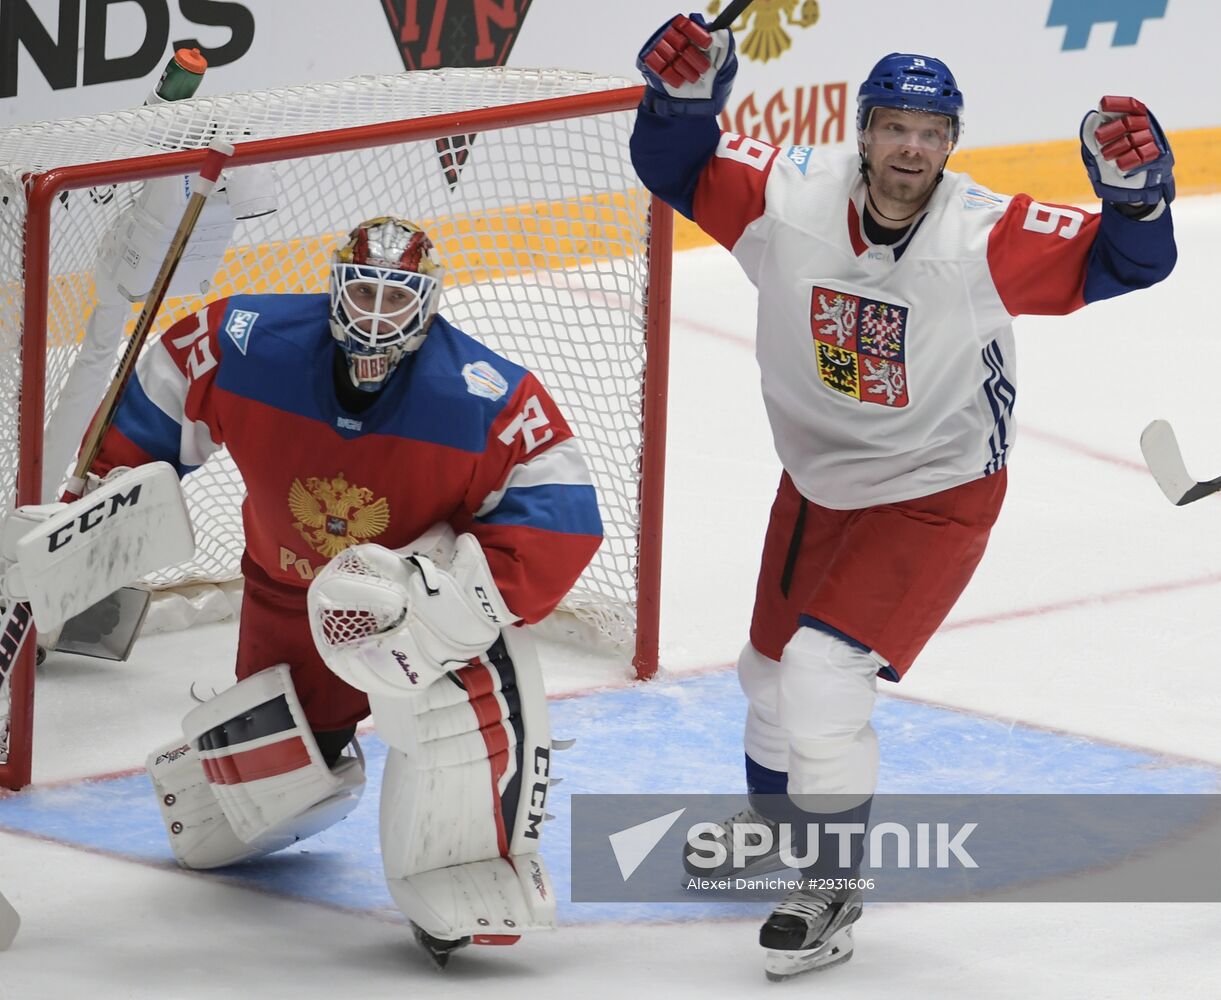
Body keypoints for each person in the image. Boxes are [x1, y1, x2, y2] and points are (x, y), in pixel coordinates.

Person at [631, 14, 1176, 982]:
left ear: (951, 142)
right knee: (766, 675)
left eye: (931, 132)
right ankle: (777, 827)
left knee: (820, 677)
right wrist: (678, 104)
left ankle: (832, 885)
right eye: (895, 128)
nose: (911, 149)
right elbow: (675, 167)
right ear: (864, 131)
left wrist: (1137, 202)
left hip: (936, 488)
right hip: (817, 482)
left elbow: (1129, 263)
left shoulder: (981, 233)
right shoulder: (789, 197)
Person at [77, 216, 603, 964]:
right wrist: (98, 504)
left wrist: (448, 611)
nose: (376, 316)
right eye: (363, 293)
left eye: (397, 298)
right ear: (334, 287)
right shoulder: (248, 342)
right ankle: (302, 763)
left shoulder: (478, 394)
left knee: (454, 726)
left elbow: (561, 513)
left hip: (408, 611)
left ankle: (460, 868)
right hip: (285, 597)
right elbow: (164, 393)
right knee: (237, 814)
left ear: (428, 301)